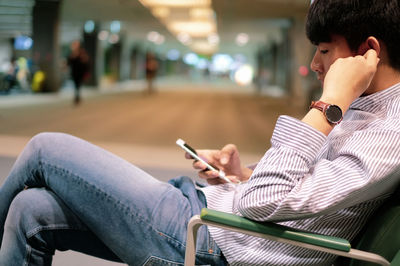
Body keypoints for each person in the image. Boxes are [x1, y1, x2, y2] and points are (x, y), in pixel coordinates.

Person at [1, 0, 400, 265]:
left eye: (325, 50)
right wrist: (242, 173)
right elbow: (294, 190)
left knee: (44, 149)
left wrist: (328, 106)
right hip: (212, 211)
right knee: (30, 210)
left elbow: (263, 202)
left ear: (369, 51)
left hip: (216, 238)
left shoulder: (385, 133)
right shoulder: (362, 109)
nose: (314, 63)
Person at [67, 40, 89, 105]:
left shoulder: (82, 53)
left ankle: (77, 96)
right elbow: (69, 62)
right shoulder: (72, 54)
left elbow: (86, 62)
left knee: (78, 84)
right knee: (75, 84)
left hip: (80, 72)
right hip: (74, 72)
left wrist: (86, 71)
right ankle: (77, 96)